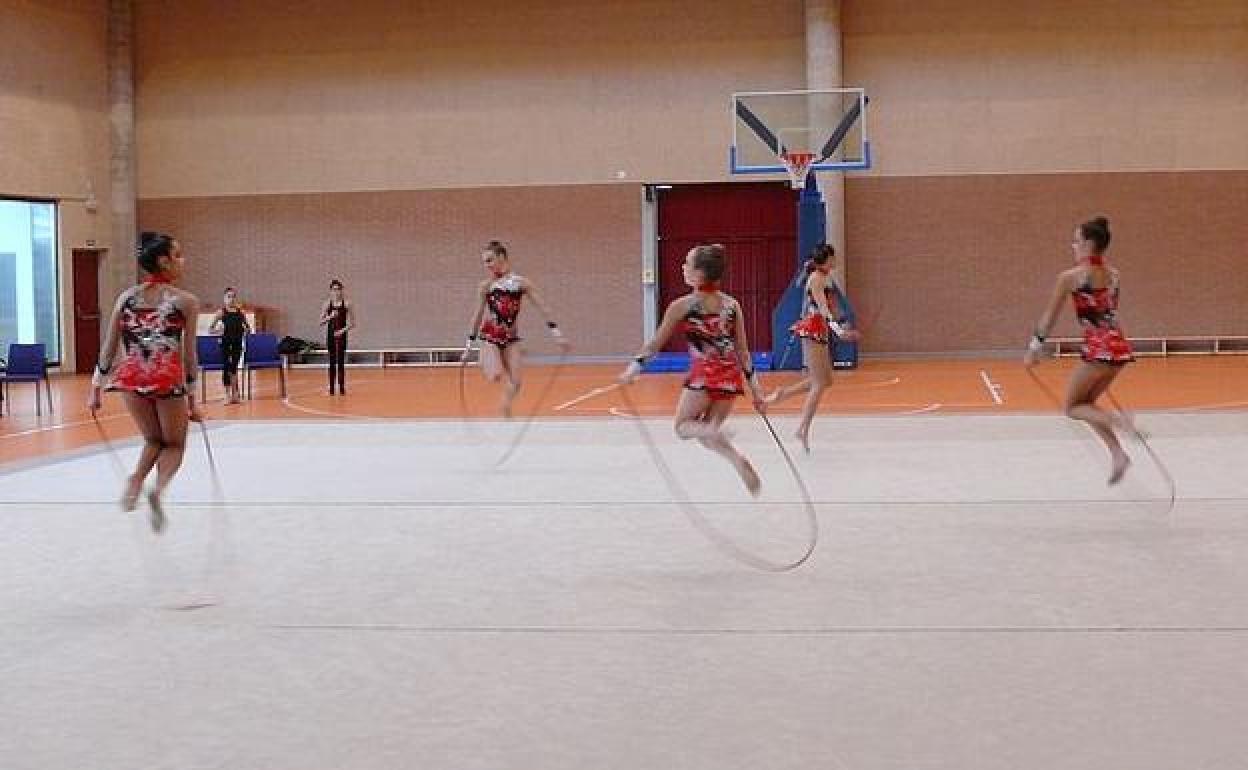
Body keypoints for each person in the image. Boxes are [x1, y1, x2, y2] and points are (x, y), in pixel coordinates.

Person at [620, 243, 766, 496]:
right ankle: (736, 461)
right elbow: (743, 351)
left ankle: (714, 431)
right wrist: (757, 391)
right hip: (730, 378)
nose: (682, 267)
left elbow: (656, 343)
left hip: (705, 375)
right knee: (707, 435)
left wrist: (634, 368)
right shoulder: (732, 305)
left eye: (687, 264)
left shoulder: (683, 306)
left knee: (683, 427)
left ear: (698, 275)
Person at [88, 231, 203, 532]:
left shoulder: (126, 298)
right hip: (165, 377)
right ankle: (158, 489)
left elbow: (109, 346)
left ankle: (136, 478)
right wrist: (193, 400)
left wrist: (96, 388)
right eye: (178, 255)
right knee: (174, 444)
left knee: (153, 440)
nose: (182, 260)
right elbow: (189, 356)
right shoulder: (186, 302)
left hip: (132, 377)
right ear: (163, 262)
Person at [1025, 216, 1135, 484]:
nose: (1072, 246)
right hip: (1117, 347)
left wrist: (1034, 348)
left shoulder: (1070, 277)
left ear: (1088, 243)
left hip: (1099, 350)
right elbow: (1108, 314)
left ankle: (1122, 423)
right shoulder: (1114, 276)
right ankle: (1118, 454)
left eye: (1076, 241)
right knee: (1088, 406)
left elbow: (1049, 317)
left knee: (1072, 407)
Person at [764, 243, 860, 452]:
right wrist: (839, 332)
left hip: (822, 329)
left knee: (825, 380)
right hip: (812, 328)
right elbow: (823, 309)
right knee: (819, 383)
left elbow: (833, 309)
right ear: (826, 260)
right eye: (833, 258)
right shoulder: (815, 279)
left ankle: (783, 394)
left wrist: (842, 325)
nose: (835, 261)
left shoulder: (827, 279)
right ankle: (803, 428)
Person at [465, 240, 570, 416]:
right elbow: (477, 314)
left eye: (489, 260)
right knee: (496, 375)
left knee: (517, 381)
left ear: (501, 257)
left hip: (511, 339)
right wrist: (469, 343)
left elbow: (542, 307)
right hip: (490, 337)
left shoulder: (522, 283)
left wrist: (557, 334)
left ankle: (505, 408)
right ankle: (483, 357)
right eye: (484, 262)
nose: (487, 265)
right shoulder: (486, 286)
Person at [209, 287, 250, 404]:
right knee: (226, 368)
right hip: (225, 344)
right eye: (228, 296)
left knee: (234, 368)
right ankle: (227, 395)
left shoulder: (240, 313)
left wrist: (247, 330)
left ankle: (236, 395)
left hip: (237, 343)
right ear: (224, 298)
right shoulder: (221, 312)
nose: (231, 299)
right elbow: (210, 329)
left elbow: (247, 328)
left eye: (233, 296)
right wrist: (218, 331)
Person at [319, 279, 354, 394]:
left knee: (341, 361)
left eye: (339, 289)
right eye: (334, 290)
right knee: (332, 361)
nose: (336, 292)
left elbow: (352, 324)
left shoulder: (347, 304)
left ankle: (342, 387)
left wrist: (342, 331)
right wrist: (330, 316)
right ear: (330, 291)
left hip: (341, 335)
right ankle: (332, 387)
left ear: (341, 291)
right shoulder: (326, 304)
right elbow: (321, 322)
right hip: (331, 335)